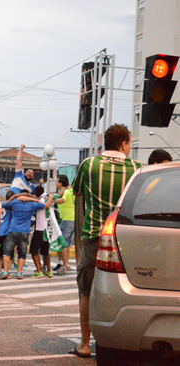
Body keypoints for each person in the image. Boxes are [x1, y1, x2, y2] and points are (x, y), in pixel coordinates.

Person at [70, 124, 143, 358]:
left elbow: (78, 193)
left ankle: (83, 343)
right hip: (127, 239)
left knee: (86, 290)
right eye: (129, 143)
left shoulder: (88, 165)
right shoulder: (137, 169)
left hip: (93, 237)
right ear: (123, 144)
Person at [1, 190, 54, 279]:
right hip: (25, 232)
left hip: (13, 230)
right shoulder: (33, 204)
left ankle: (5, 271)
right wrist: (51, 198)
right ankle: (19, 273)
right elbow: (47, 205)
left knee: (7, 252)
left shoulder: (14, 202)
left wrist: (14, 197)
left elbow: (3, 204)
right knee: (22, 253)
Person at [29, 186, 53, 278]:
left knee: (34, 251)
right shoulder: (47, 199)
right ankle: (49, 271)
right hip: (46, 230)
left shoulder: (40, 202)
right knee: (46, 252)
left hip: (39, 230)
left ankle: (39, 271)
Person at [53, 175, 75, 274]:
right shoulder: (70, 191)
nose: (56, 183)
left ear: (61, 183)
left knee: (62, 242)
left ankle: (65, 265)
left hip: (67, 219)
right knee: (66, 244)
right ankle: (62, 263)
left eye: (57, 181)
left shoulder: (66, 192)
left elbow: (62, 200)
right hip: (72, 219)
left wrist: (52, 200)